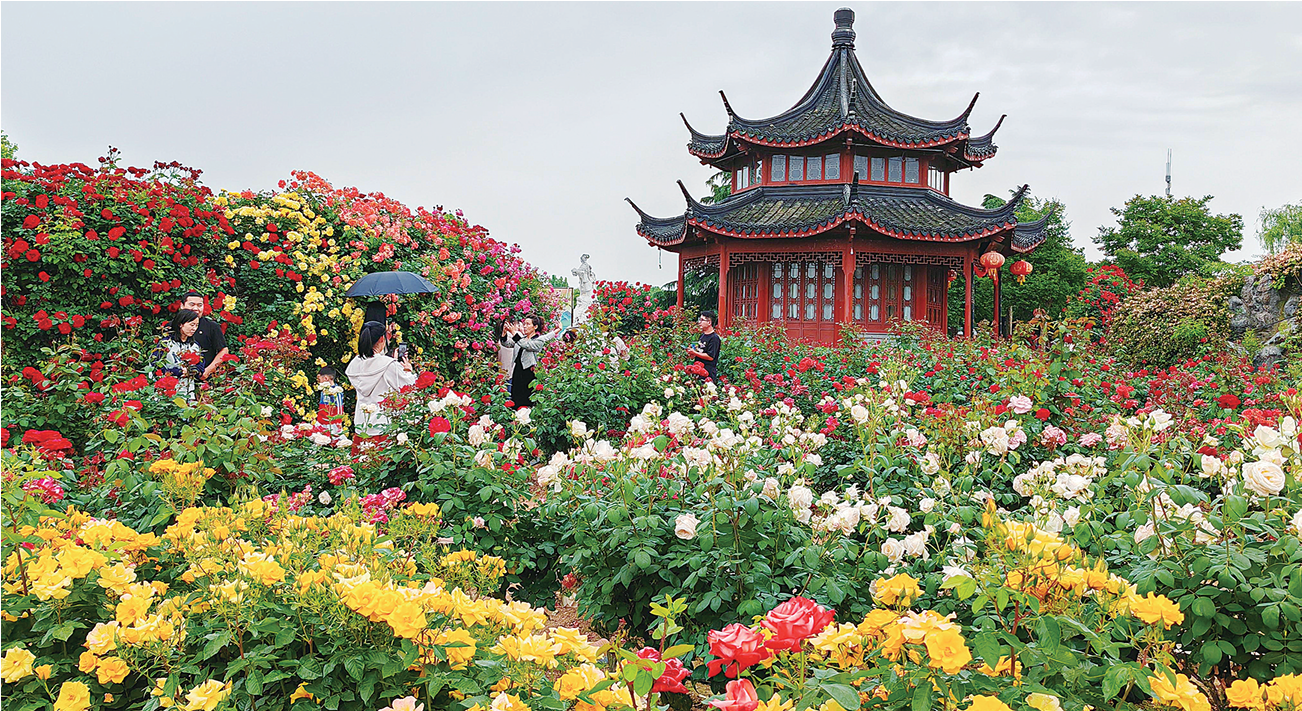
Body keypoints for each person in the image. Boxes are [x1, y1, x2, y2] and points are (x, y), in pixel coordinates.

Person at [345, 321, 416, 436]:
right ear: (382, 339)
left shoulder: (355, 363)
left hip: (362, 426)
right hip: (383, 427)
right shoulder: (388, 365)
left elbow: (373, 363)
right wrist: (408, 370)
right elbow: (409, 388)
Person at [507, 314, 560, 409]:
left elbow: (528, 346)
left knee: (526, 399)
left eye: (528, 324)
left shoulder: (538, 340)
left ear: (535, 327)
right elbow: (508, 343)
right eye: (524, 324)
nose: (524, 326)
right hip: (518, 371)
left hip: (528, 373)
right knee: (515, 397)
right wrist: (504, 334)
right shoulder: (522, 338)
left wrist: (515, 334)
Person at [151, 309, 205, 403]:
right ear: (180, 324)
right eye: (192, 325)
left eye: (196, 325)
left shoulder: (195, 346)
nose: (194, 328)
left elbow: (201, 365)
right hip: (167, 392)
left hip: (188, 391)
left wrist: (192, 370)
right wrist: (177, 372)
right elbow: (155, 367)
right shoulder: (166, 344)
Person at [179, 292, 229, 381]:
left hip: (204, 380)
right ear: (182, 305)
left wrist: (207, 371)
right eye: (192, 304)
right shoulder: (172, 326)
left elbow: (223, 350)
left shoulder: (211, 326)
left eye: (199, 305)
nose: (196, 308)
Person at [686, 311, 721, 382]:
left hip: (708, 373)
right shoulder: (702, 336)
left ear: (709, 322)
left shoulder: (714, 338)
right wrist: (692, 353)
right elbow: (700, 352)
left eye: (702, 320)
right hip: (697, 371)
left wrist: (695, 353)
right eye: (699, 320)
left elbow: (710, 357)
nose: (699, 322)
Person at [316, 366, 345, 434]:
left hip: (332, 423)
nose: (319, 382)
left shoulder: (337, 391)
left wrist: (338, 422)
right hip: (321, 422)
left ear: (326, 378)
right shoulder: (323, 390)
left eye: (319, 379)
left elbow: (339, 407)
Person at [497, 320, 516, 387]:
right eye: (505, 323)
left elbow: (507, 342)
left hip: (509, 370)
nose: (506, 326)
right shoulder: (499, 336)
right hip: (501, 368)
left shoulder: (513, 337)